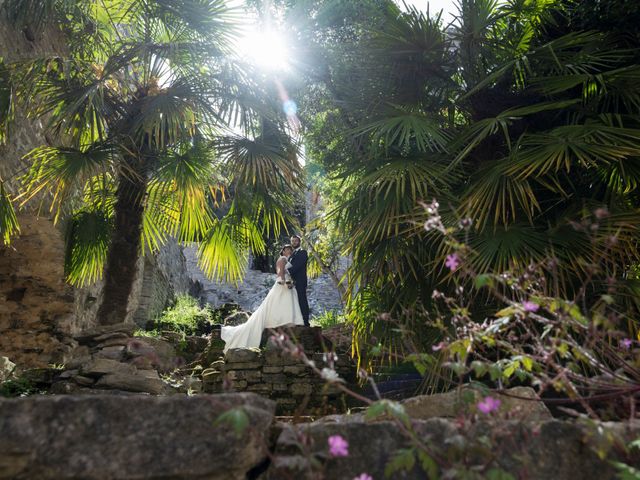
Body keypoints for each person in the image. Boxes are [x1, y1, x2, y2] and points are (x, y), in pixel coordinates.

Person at [220, 245, 304, 352]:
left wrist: (290, 281)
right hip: (283, 283)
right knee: (281, 302)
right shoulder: (282, 259)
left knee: (283, 302)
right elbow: (280, 272)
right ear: (283, 251)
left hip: (285, 283)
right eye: (287, 249)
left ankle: (285, 320)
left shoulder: (285, 260)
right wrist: (285, 283)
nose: (289, 251)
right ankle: (283, 320)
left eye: (291, 250)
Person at [286, 234, 310, 326]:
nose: (294, 242)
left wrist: (286, 271)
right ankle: (297, 321)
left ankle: (305, 321)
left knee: (302, 300)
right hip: (292, 282)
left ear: (299, 242)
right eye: (292, 241)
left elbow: (297, 266)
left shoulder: (303, 252)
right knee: (294, 301)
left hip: (300, 281)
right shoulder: (291, 254)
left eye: (295, 241)